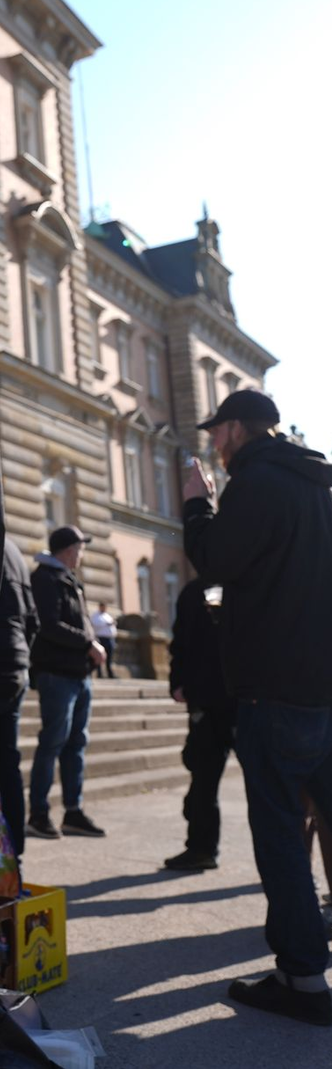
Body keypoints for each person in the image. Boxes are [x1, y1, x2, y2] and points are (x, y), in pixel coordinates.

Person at [182, 388, 332, 1026]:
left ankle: (302, 980)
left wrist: (197, 508)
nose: (214, 443)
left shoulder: (256, 485)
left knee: (280, 838)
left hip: (274, 687)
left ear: (239, 430)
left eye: (218, 431)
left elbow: (215, 563)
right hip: (322, 684)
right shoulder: (316, 487)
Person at [26, 525, 108, 839]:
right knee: (53, 743)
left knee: (76, 745)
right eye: (80, 547)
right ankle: (39, 814)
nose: (83, 554)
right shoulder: (46, 579)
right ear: (69, 549)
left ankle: (73, 812)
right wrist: (88, 643)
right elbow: (49, 626)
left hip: (78, 674)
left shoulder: (69, 580)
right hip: (57, 675)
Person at [162, 578, 236, 872]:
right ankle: (201, 848)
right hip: (212, 700)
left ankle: (291, 865)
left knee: (266, 786)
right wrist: (178, 681)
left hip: (241, 698)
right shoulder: (195, 591)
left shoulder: (245, 581)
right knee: (203, 778)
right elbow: (181, 642)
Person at [0, 536, 40, 863]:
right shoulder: (14, 549)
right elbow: (33, 619)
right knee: (7, 763)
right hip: (14, 665)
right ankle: (14, 852)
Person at [89, 601, 117, 678]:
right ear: (100, 607)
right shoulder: (95, 616)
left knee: (109, 657)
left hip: (110, 638)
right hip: (101, 638)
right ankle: (99, 673)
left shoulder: (107, 615)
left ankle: (110, 673)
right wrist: (106, 624)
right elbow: (95, 624)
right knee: (100, 656)